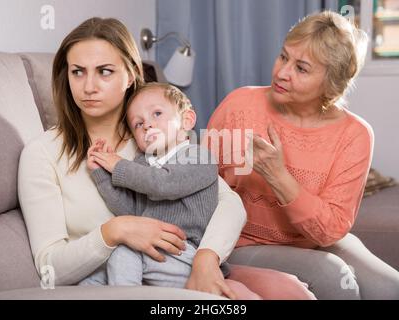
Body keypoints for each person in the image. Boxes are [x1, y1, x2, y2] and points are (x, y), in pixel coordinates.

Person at [18, 17, 316, 299]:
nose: (89, 87)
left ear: (132, 75)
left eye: (104, 71)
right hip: (110, 280)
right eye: (77, 71)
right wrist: (115, 231)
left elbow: (229, 204)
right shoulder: (41, 154)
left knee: (288, 292)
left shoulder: (156, 137)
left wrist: (206, 260)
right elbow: (49, 268)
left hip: (182, 261)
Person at [206, 11, 399, 299]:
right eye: (283, 57)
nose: (283, 72)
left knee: (390, 288)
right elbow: (198, 187)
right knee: (333, 276)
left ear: (331, 83)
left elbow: (330, 230)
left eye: (302, 68)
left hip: (314, 241)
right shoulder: (239, 106)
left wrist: (279, 176)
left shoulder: (355, 134)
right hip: (239, 243)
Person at [79, 82, 261, 299]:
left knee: (123, 253)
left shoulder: (198, 157)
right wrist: (100, 173)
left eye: (156, 113)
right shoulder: (142, 165)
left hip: (185, 254)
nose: (147, 125)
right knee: (90, 280)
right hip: (153, 252)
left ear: (187, 120)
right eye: (138, 124)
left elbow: (163, 184)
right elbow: (128, 210)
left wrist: (117, 165)